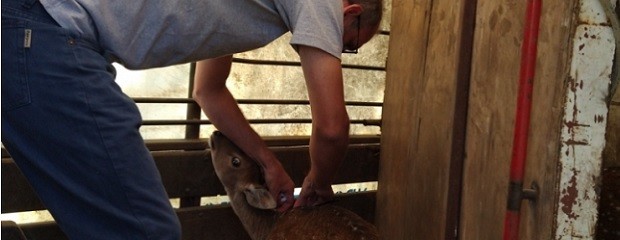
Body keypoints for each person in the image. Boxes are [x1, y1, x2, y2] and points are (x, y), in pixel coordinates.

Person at [1, 0, 383, 239]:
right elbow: (332, 128)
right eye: (347, 43)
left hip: (32, 29)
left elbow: (208, 91)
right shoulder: (322, 3)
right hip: (46, 32)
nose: (336, 48)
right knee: (146, 232)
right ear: (349, 12)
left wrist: (269, 163)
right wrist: (319, 179)